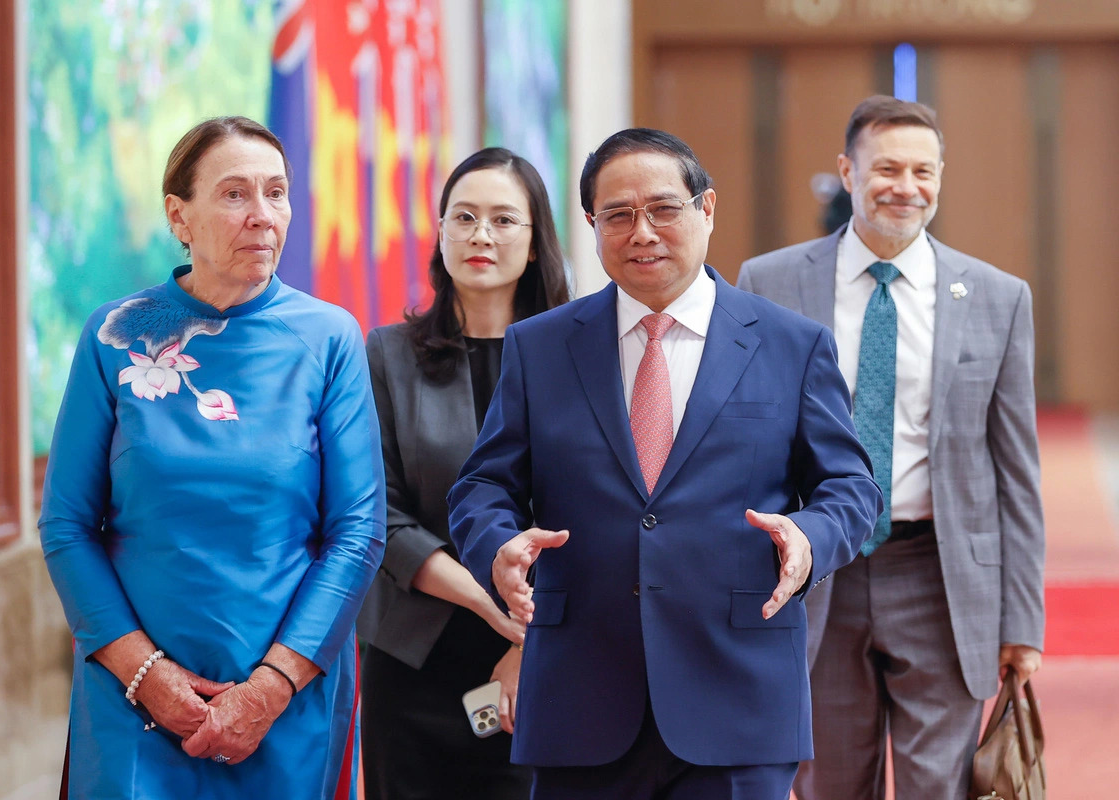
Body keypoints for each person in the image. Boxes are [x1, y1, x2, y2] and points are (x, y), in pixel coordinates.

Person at [448, 128, 883, 800]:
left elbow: (849, 488)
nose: (642, 232)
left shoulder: (792, 346)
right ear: (592, 226)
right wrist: (497, 545)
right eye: (617, 216)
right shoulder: (540, 348)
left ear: (707, 209)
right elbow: (484, 486)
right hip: (581, 700)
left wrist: (810, 538)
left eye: (663, 210)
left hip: (738, 697)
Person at [39, 116, 385, 799]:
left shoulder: (328, 339)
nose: (263, 216)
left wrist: (270, 686)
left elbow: (358, 532)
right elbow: (67, 527)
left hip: (286, 693)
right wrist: (147, 675)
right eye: (234, 194)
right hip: (132, 695)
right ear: (180, 215)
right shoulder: (115, 336)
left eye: (277, 193)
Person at [737, 95, 1045, 800]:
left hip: (940, 573)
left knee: (940, 784)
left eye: (923, 171)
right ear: (847, 172)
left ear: (941, 177)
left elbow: (1016, 475)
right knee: (829, 781)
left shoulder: (999, 298)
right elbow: (746, 443)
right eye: (887, 169)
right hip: (815, 569)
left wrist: (1022, 620)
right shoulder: (769, 284)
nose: (906, 187)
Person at [356, 146, 570, 800]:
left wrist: (525, 642)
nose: (482, 235)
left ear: (535, 245)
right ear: (440, 232)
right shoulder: (388, 354)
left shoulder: (579, 357)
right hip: (413, 653)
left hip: (546, 650)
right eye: (464, 217)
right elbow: (378, 513)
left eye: (505, 220)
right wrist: (486, 601)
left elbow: (591, 514)